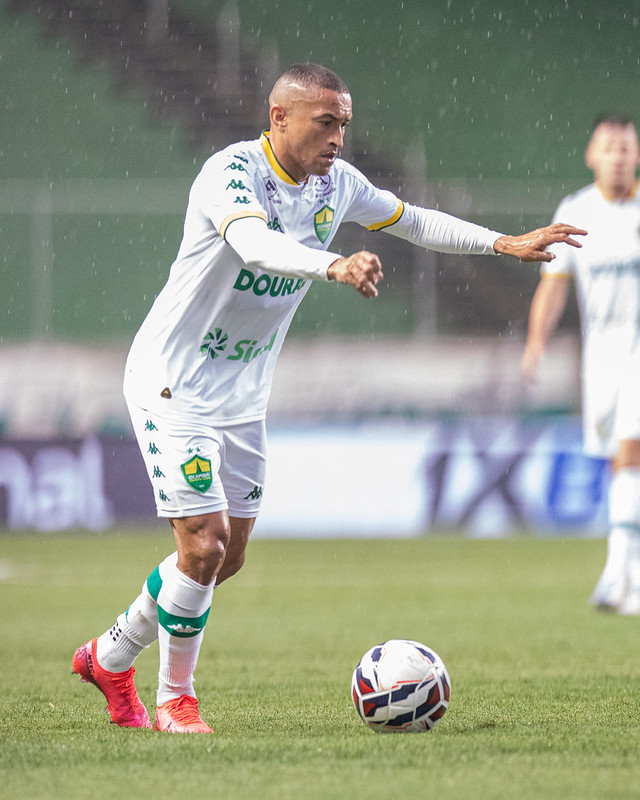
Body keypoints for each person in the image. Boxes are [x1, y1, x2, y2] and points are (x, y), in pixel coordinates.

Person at [72, 62, 585, 733]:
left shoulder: (336, 185)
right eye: (326, 121)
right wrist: (333, 263)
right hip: (174, 384)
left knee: (224, 559)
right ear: (278, 117)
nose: (339, 136)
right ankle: (174, 700)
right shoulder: (229, 174)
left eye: (344, 122)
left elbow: (413, 220)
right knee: (202, 545)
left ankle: (110, 655)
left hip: (242, 395)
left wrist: (504, 243)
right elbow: (253, 245)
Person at [522, 114, 640, 615]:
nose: (617, 156)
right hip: (603, 357)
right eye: (608, 147)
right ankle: (626, 575)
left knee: (632, 453)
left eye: (626, 147)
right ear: (591, 155)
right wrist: (534, 344)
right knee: (620, 463)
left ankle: (618, 578)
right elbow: (554, 286)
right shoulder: (575, 210)